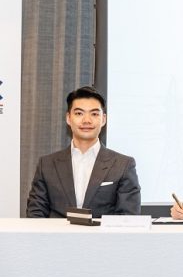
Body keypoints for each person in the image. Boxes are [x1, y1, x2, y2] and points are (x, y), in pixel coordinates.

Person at [26, 86, 141, 218]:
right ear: (68, 118)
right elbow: (35, 214)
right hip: (56, 232)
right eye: (79, 113)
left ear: (103, 119)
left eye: (94, 114)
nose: (87, 120)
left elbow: (128, 218)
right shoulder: (47, 164)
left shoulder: (123, 165)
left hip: (102, 232)